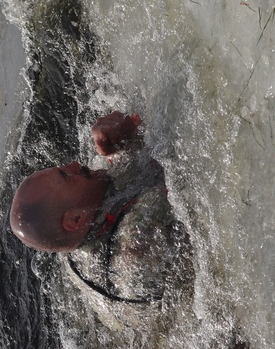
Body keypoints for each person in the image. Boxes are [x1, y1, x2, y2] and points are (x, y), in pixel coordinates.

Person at [10, 111, 189, 304]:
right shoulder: (138, 233)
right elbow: (183, 160)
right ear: (76, 219)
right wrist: (133, 129)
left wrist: (119, 140)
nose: (75, 164)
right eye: (67, 175)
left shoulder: (74, 248)